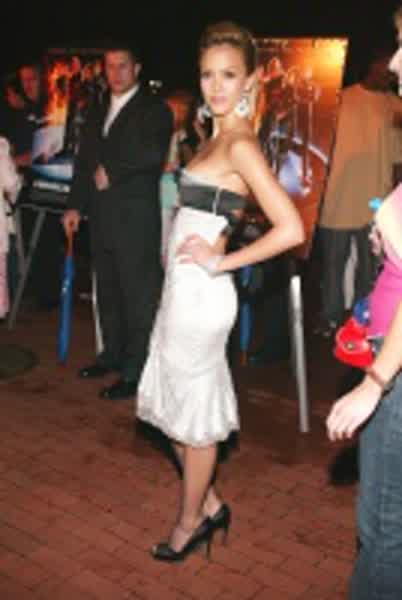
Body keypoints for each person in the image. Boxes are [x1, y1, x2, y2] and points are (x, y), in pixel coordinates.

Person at [136, 21, 304, 562]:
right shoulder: (215, 137)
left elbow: (291, 229)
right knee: (171, 408)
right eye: (207, 75)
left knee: (195, 423)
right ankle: (208, 503)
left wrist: (221, 261)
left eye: (228, 75)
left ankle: (189, 523)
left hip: (204, 297)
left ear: (250, 81)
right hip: (181, 291)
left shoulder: (241, 145)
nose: (215, 87)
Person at [63, 42, 173, 400]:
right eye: (110, 66)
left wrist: (114, 170)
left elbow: (153, 152)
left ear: (137, 68)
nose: (116, 73)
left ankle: (135, 371)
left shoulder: (154, 109)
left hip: (136, 220)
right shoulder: (96, 110)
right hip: (101, 217)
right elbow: (84, 162)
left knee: (138, 298)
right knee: (107, 293)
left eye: (123, 65)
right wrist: (74, 206)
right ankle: (111, 356)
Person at [317, 48, 402, 337]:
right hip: (337, 199)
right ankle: (329, 318)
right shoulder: (341, 99)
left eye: (392, 73)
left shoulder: (395, 106)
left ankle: (363, 322)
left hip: (375, 202)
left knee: (370, 269)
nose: (388, 75)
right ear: (372, 65)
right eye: (385, 68)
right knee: (333, 264)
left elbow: (397, 162)